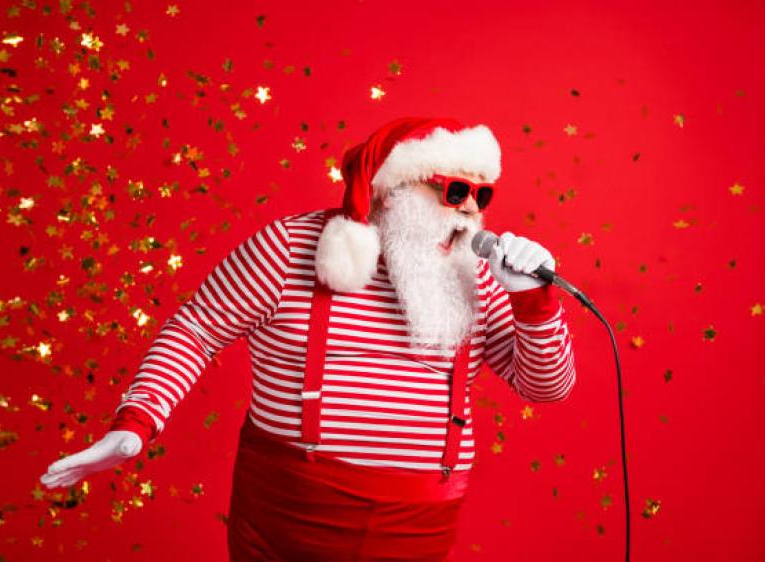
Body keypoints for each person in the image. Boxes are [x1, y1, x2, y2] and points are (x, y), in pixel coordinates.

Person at [40, 116, 576, 561]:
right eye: (454, 190)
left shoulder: (479, 275)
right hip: (290, 514)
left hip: (421, 526)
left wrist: (533, 300)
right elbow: (197, 328)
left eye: (482, 194)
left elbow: (547, 388)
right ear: (394, 189)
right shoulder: (289, 247)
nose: (469, 209)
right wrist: (137, 421)